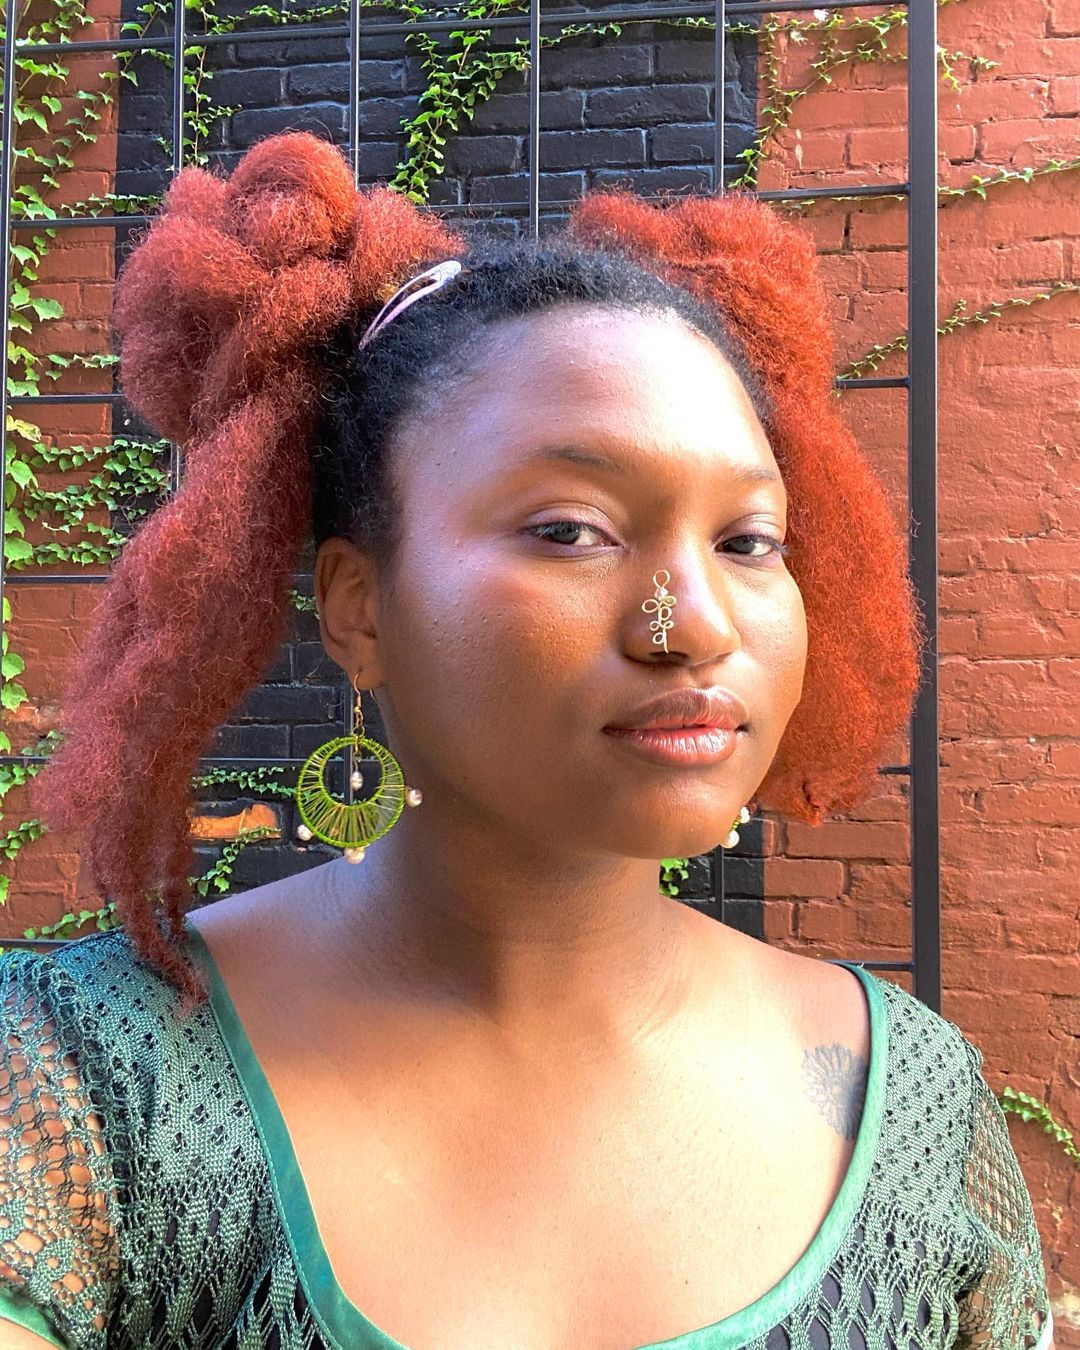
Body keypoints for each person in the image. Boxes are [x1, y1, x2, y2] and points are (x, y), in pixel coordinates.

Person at [0, 130, 1054, 1350]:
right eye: (569, 529)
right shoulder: (81, 1086)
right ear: (359, 609)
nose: (697, 626)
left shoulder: (915, 1109)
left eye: (749, 541)